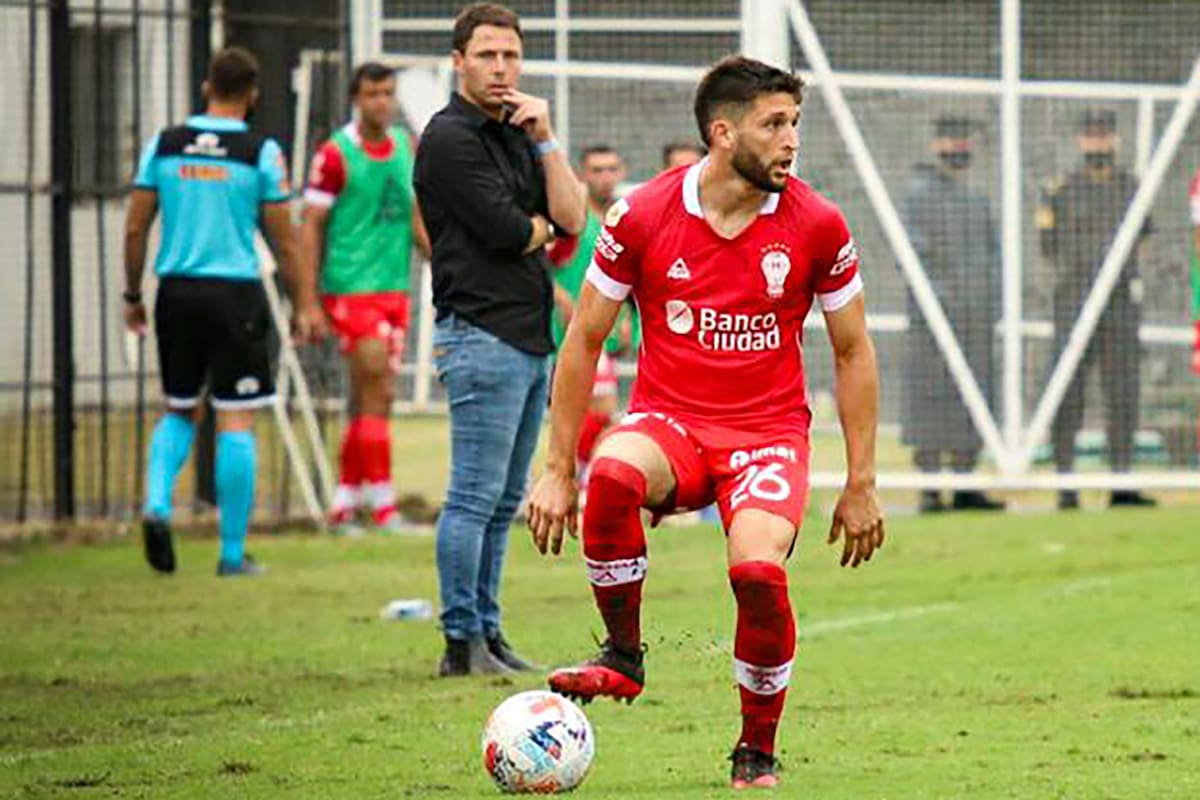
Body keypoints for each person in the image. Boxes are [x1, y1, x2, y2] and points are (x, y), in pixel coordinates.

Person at [526, 56, 885, 789]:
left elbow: (852, 350)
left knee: (757, 572)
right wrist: (558, 468)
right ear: (722, 134)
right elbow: (584, 338)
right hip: (672, 422)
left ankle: (755, 751)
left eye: (795, 124)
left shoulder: (817, 222)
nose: (791, 141)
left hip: (768, 435)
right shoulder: (641, 215)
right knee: (615, 475)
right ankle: (623, 655)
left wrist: (861, 482)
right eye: (774, 124)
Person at [413, 2, 586, 677]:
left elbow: (569, 218)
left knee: (504, 500)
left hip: (526, 335)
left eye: (511, 56)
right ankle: (461, 640)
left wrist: (544, 138)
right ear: (459, 60)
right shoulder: (450, 137)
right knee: (473, 495)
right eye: (487, 55)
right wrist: (536, 226)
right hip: (479, 334)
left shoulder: (517, 130)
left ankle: (488, 629)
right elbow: (512, 232)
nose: (501, 68)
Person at [123, 47, 324, 576]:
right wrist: (304, 302)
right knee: (237, 417)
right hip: (236, 293)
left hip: (177, 292)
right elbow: (284, 240)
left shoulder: (164, 144)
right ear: (253, 94)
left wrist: (131, 295)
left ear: (207, 85)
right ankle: (232, 554)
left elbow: (135, 226)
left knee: (179, 408)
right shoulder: (259, 150)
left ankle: (157, 505)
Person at [301, 61, 430, 535]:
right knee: (378, 390)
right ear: (357, 98)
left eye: (388, 93)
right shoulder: (335, 154)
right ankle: (383, 507)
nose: (382, 101)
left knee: (369, 397)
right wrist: (309, 299)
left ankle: (344, 502)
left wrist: (449, 265)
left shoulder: (404, 147)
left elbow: (417, 219)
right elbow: (310, 225)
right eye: (373, 93)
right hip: (350, 288)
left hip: (394, 288)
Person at [1038, 109, 1154, 509]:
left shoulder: (1130, 188)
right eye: (1091, 136)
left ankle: (1122, 480)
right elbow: (1048, 246)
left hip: (1119, 302)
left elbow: (1144, 239)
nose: (1097, 143)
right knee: (1067, 391)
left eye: (1104, 136)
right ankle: (1065, 483)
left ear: (1115, 140)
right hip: (1073, 300)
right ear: (1080, 141)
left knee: (1122, 390)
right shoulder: (1062, 190)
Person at [900, 116, 1005, 513]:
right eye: (950, 141)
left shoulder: (977, 201)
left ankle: (965, 481)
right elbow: (915, 253)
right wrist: (945, 300)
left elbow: (994, 256)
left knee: (973, 395)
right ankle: (930, 486)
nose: (957, 149)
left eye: (963, 142)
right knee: (931, 398)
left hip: (976, 318)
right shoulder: (919, 197)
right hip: (934, 319)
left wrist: (986, 300)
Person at [548, 145, 638, 480]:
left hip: (602, 334)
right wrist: (560, 297)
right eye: (597, 170)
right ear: (583, 175)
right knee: (596, 407)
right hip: (563, 331)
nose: (605, 177)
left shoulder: (625, 219)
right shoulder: (572, 219)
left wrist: (628, 316)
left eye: (611, 169)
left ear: (622, 172)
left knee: (598, 409)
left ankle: (574, 477)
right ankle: (571, 476)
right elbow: (536, 266)